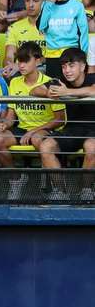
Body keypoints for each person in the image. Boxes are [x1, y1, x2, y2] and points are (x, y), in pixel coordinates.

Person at [0, 42, 66, 176]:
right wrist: (5, 124)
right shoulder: (14, 82)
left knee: (37, 138)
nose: (21, 65)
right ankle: (17, 179)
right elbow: (11, 114)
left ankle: (56, 187)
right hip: (23, 128)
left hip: (45, 129)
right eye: (19, 61)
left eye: (26, 61)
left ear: (38, 61)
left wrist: (33, 131)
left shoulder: (51, 82)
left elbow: (60, 119)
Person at [34, 47, 95, 199]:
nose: (67, 70)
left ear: (82, 66)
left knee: (91, 147)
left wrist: (66, 92)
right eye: (64, 66)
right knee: (46, 146)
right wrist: (47, 93)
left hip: (93, 129)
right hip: (72, 129)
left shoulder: (92, 78)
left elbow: (92, 90)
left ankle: (86, 190)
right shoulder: (59, 81)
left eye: (71, 65)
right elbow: (34, 90)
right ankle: (60, 192)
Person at [40, 0, 89, 79]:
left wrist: (82, 58)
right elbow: (41, 27)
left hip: (72, 56)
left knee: (72, 92)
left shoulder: (77, 6)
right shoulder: (47, 5)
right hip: (52, 57)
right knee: (55, 92)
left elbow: (83, 34)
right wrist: (48, 5)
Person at [2, 0, 48, 78]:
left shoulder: (52, 26)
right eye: (27, 0)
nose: (30, 5)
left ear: (44, 1)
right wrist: (9, 66)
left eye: (35, 0)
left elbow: (52, 57)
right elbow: (9, 56)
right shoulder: (14, 27)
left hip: (41, 68)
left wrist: (23, 66)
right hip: (18, 69)